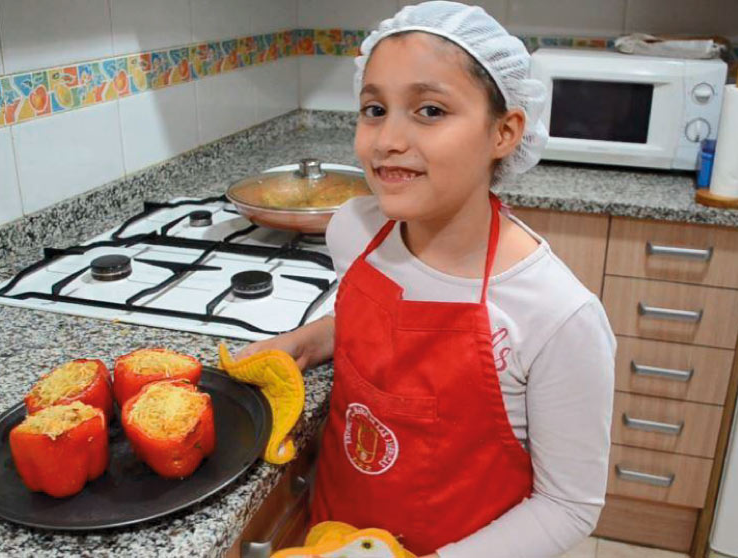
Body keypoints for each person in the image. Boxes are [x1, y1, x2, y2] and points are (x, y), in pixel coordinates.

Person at [237, 2, 615, 557]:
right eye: (373, 108)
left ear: (505, 132)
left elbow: (569, 506)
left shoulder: (557, 316)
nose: (387, 138)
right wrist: (310, 340)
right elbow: (375, 327)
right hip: (336, 533)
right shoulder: (355, 230)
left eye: (430, 110)